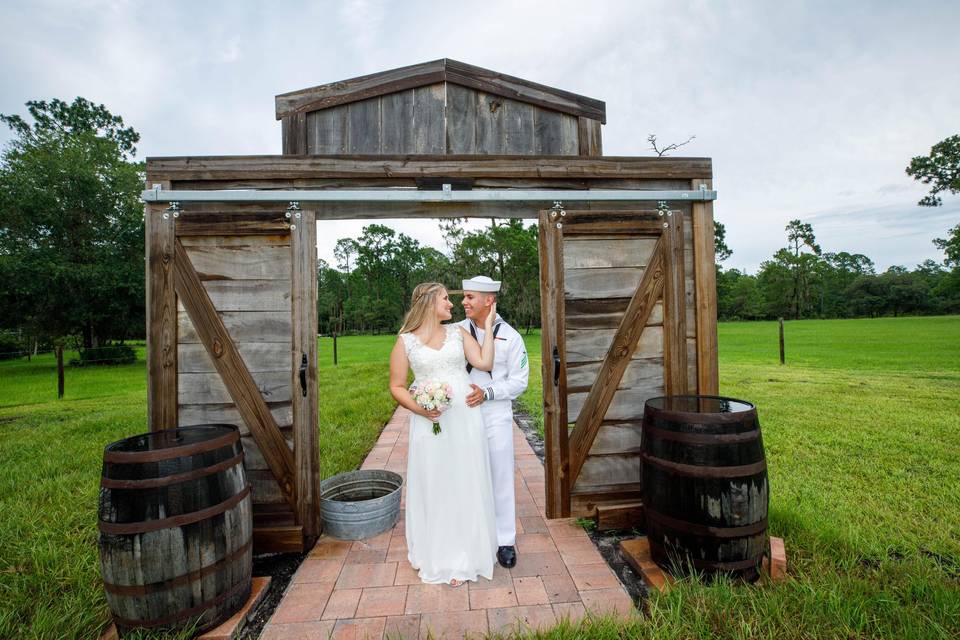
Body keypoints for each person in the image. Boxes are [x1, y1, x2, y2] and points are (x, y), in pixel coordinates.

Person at [389, 282, 499, 586]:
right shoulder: (405, 342)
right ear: (428, 303)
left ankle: (468, 553)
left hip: (464, 416)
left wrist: (488, 327)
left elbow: (484, 362)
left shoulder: (458, 333)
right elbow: (397, 386)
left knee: (465, 476)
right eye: (445, 299)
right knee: (436, 479)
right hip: (429, 419)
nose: (451, 304)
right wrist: (421, 409)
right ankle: (440, 554)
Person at [458, 275, 530, 569]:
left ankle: (504, 540)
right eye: (463, 296)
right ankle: (470, 534)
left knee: (499, 477)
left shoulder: (511, 337)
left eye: (470, 297)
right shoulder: (455, 331)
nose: (464, 302)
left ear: (489, 300)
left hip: (495, 416)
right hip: (460, 416)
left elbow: (519, 382)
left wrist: (488, 393)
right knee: (464, 476)